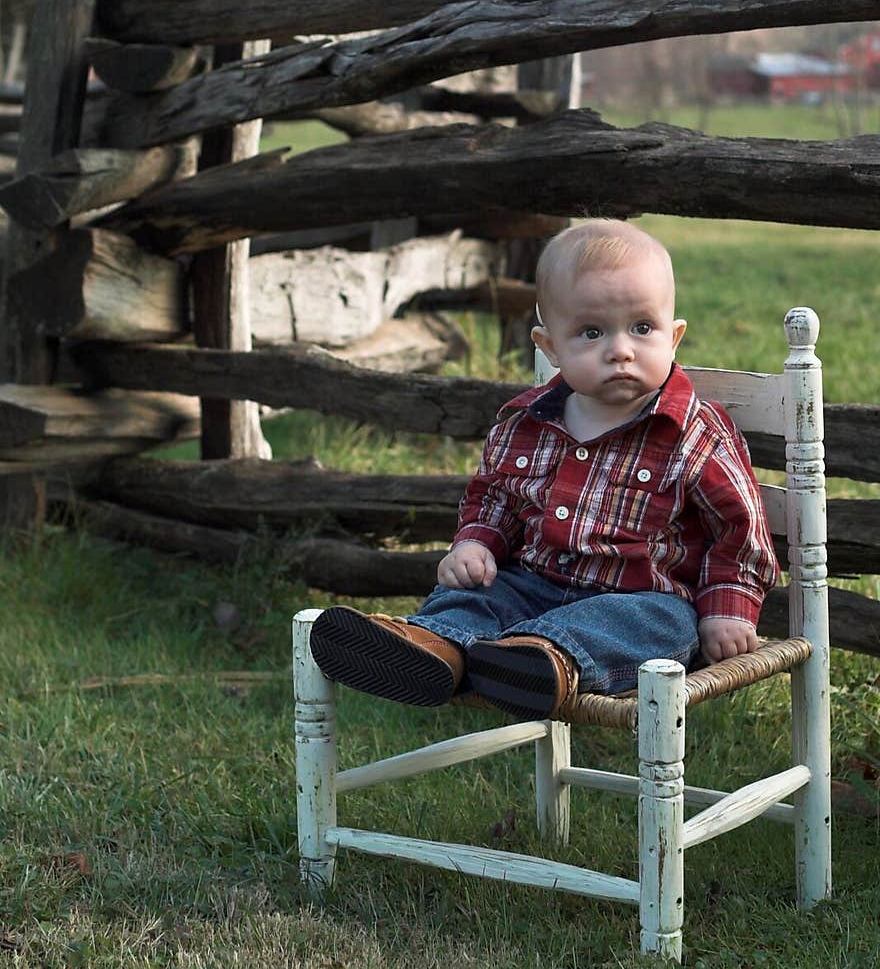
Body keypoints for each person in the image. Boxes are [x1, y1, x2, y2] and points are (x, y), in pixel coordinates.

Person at [309, 218, 779, 719]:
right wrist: (474, 545)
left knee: (664, 625)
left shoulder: (693, 431)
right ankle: (436, 648)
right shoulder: (525, 423)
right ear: (550, 347)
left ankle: (541, 660)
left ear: (675, 336)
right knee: (475, 593)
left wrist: (728, 608)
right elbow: (495, 498)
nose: (621, 349)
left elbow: (738, 528)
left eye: (643, 328)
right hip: (533, 584)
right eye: (591, 332)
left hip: (638, 598)